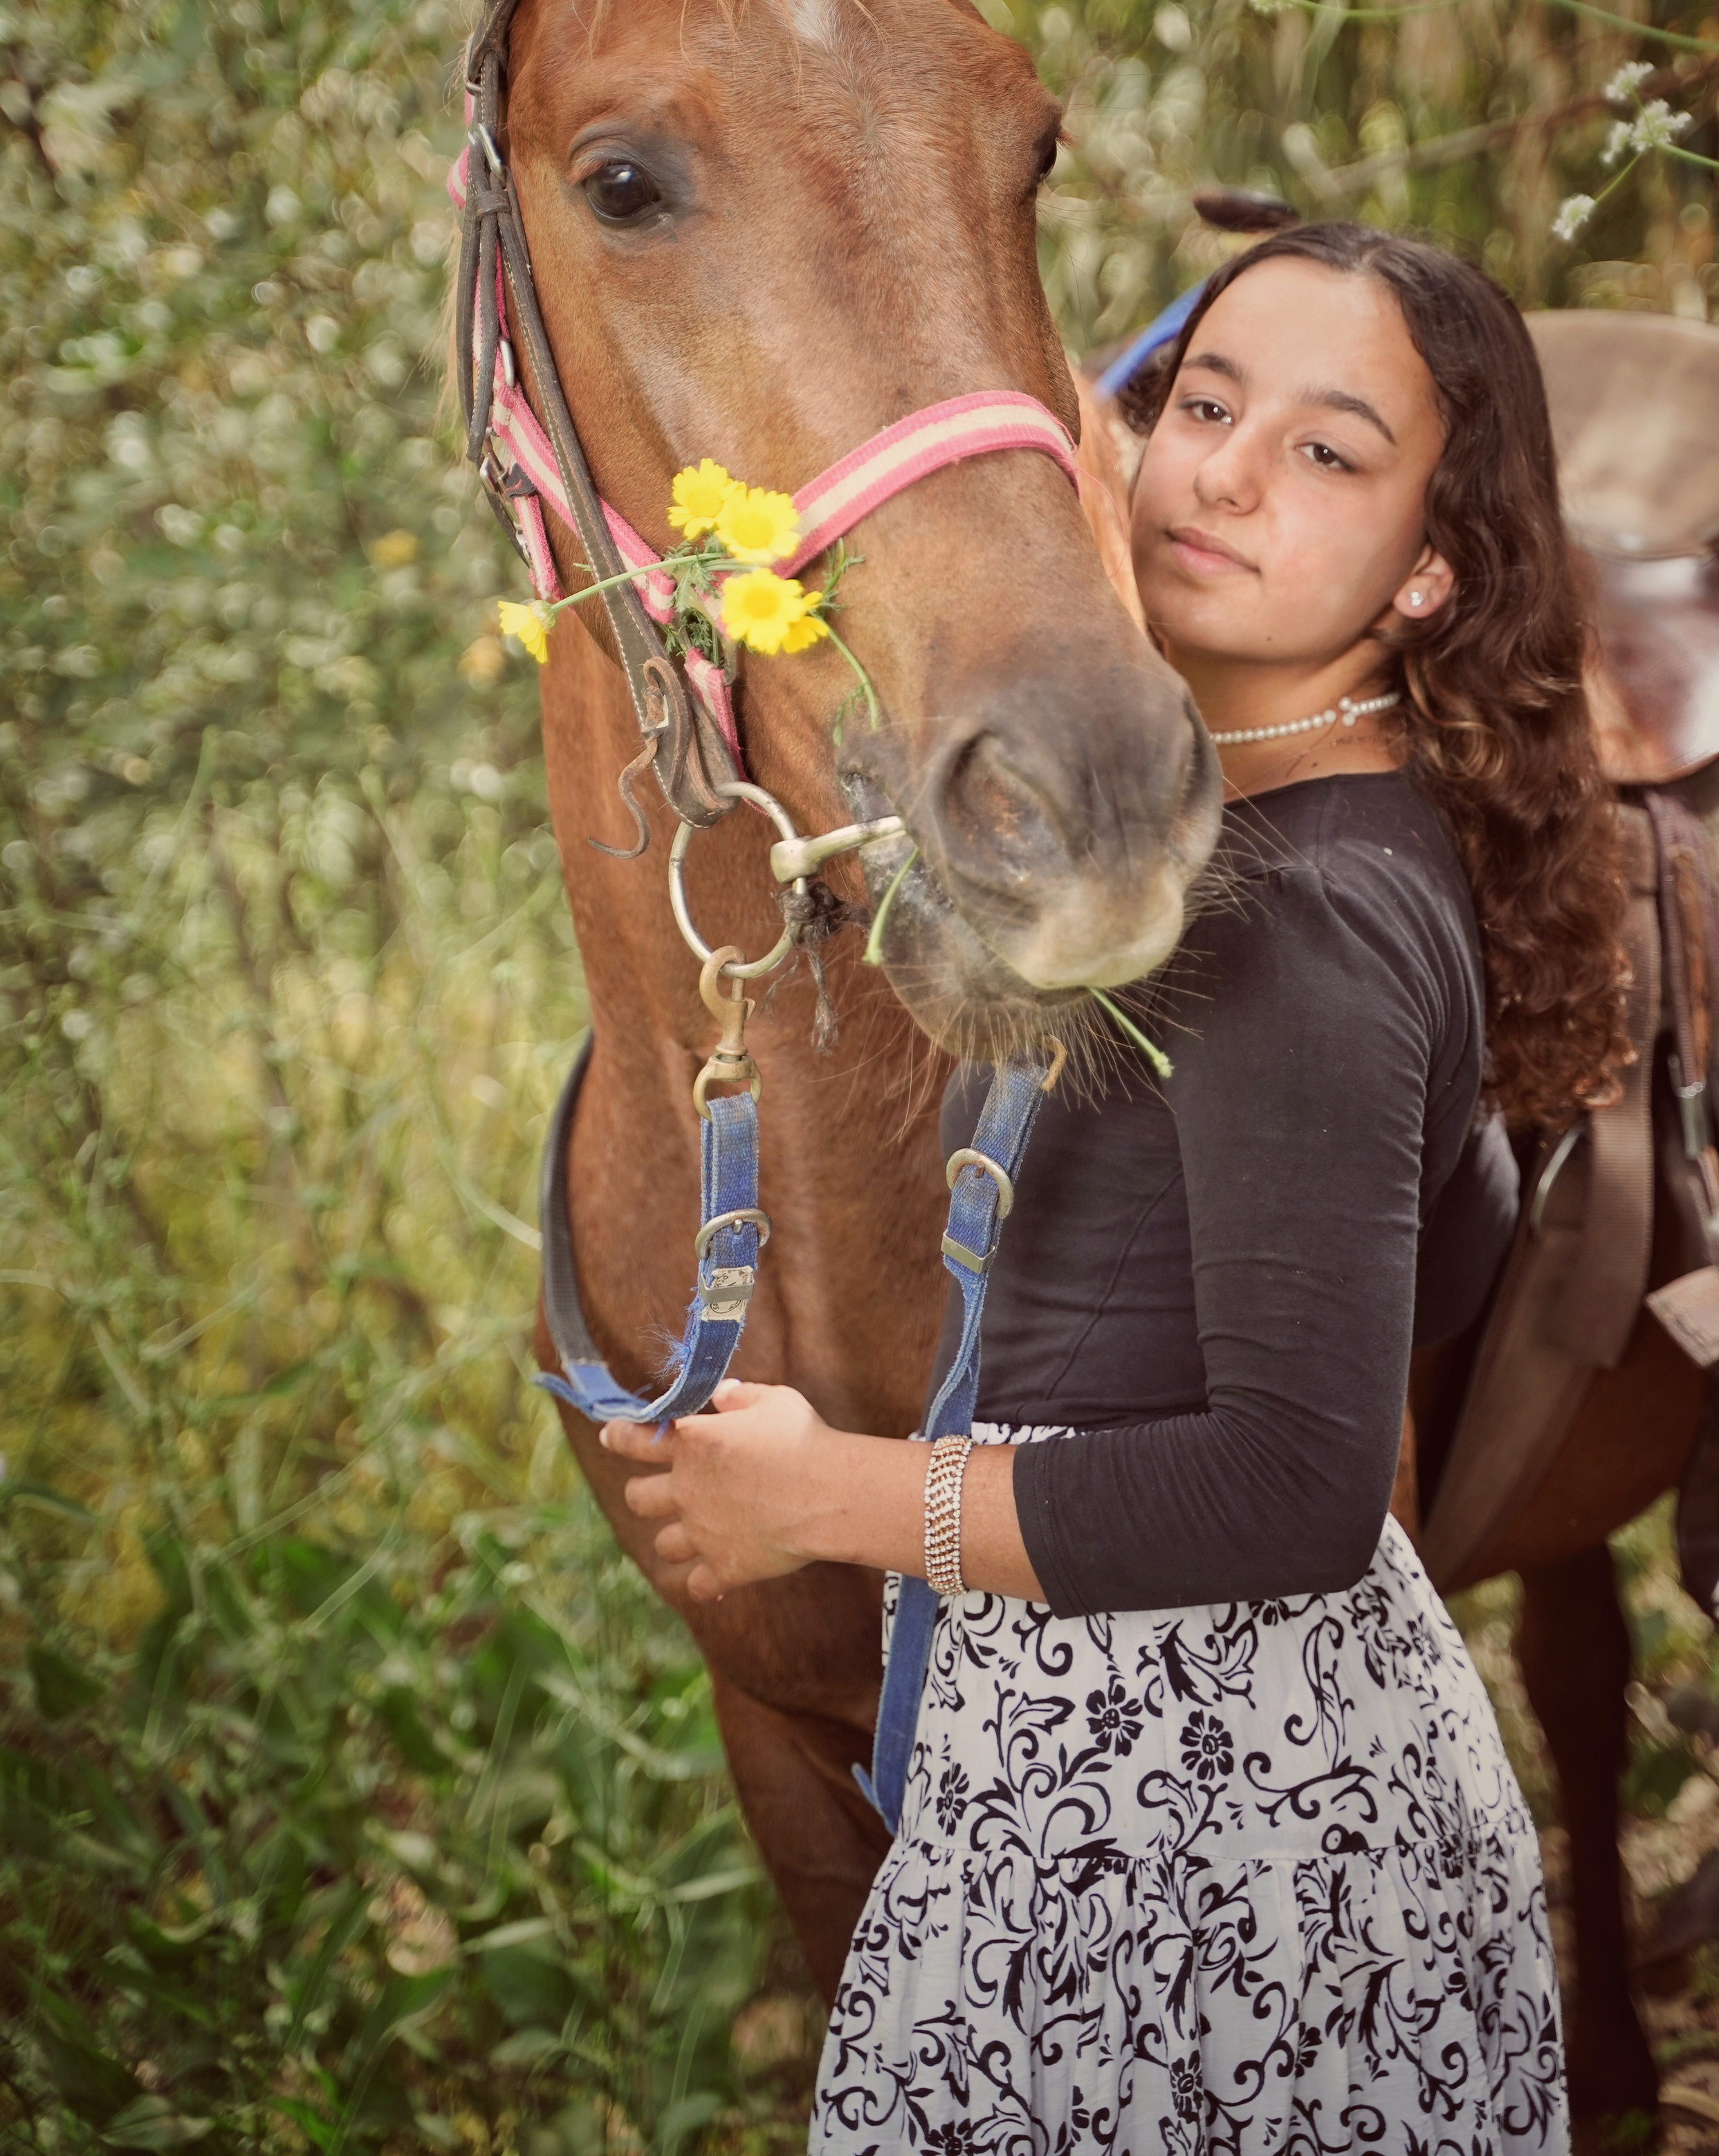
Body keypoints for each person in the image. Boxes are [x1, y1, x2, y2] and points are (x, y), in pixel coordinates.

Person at [601, 222, 1629, 2150]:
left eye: (1327, 451)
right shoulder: (1321, 834)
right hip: (1188, 1790)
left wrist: (829, 1498)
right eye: (1205, 401)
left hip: (1196, 1846)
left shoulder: (1297, 917)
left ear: (1431, 569)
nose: (1223, 468)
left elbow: (1294, 1489)